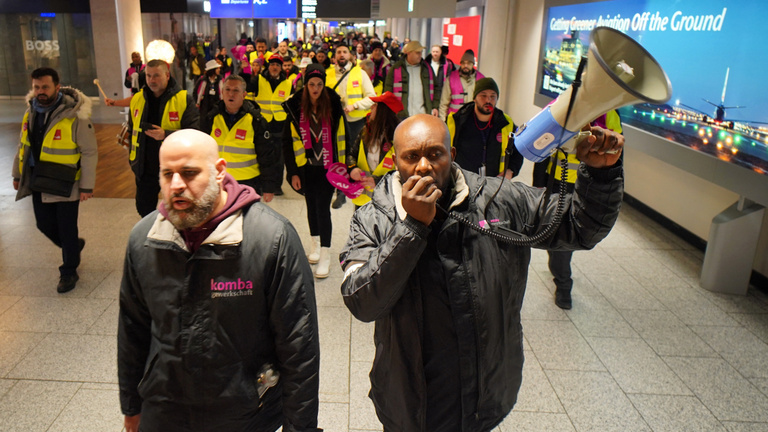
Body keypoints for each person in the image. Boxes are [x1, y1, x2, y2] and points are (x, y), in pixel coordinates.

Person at [339, 114, 624, 432]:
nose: (423, 167)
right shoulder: (372, 218)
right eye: (411, 157)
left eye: (435, 154)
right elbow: (361, 301)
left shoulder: (501, 200)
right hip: (409, 402)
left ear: (453, 155)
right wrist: (411, 228)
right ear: (394, 161)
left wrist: (601, 176)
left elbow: (580, 227)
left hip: (485, 395)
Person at [117, 129, 321, 432]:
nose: (175, 186)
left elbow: (299, 346)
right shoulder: (144, 239)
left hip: (243, 415)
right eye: (166, 174)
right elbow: (132, 331)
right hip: (164, 411)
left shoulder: (271, 238)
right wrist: (132, 406)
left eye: (189, 173)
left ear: (219, 171)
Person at [11, 67, 97, 293]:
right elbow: (23, 145)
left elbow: (89, 151)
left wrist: (87, 185)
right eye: (36, 87)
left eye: (45, 87)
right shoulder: (31, 112)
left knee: (67, 228)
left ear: (57, 87)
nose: (40, 91)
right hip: (39, 180)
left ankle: (69, 271)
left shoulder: (75, 114)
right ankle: (73, 247)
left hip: (66, 181)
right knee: (43, 224)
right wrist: (17, 174)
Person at [532, 110, 624, 309]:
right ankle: (557, 265)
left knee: (565, 235)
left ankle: (563, 285)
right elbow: (547, 145)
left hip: (583, 184)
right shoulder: (568, 107)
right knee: (550, 229)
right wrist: (539, 182)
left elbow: (616, 151)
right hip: (556, 179)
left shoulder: (610, 115)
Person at [282, 64, 346, 279]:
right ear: (305, 85)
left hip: (328, 166)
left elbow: (343, 138)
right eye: (311, 84)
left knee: (323, 208)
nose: (315, 88)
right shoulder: (295, 107)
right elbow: (287, 143)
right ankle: (315, 245)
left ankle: (326, 254)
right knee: (311, 205)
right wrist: (293, 172)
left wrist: (343, 169)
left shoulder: (333, 105)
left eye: (319, 84)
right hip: (306, 166)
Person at [125, 59, 200, 216]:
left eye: (156, 76)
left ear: (167, 75)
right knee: (144, 210)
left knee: (178, 211)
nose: (152, 80)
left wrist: (165, 134)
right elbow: (133, 130)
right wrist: (133, 160)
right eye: (148, 76)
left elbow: (195, 132)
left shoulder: (183, 99)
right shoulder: (138, 99)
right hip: (144, 167)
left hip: (174, 167)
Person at [201, 75, 280, 201]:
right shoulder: (211, 118)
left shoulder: (256, 121)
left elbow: (267, 156)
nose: (231, 94)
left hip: (247, 183)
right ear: (222, 92)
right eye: (227, 90)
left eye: (236, 90)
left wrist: (269, 187)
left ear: (244, 94)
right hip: (218, 181)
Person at [327, 44, 377, 209]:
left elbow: (372, 98)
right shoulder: (328, 74)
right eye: (338, 52)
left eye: (345, 52)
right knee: (338, 156)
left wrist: (355, 106)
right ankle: (340, 192)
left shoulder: (360, 73)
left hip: (356, 122)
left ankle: (358, 189)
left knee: (354, 156)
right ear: (334, 57)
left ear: (351, 56)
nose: (341, 55)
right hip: (335, 123)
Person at [446, 78, 522, 179]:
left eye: (492, 96)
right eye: (483, 95)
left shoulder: (506, 123)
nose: (488, 100)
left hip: (493, 185)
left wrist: (510, 171)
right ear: (474, 98)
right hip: (462, 182)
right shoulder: (457, 121)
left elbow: (518, 151)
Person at [346, 91, 402, 207]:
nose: (371, 107)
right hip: (362, 201)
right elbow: (352, 154)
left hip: (387, 202)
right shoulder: (365, 131)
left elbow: (402, 173)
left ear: (383, 111)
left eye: (375, 105)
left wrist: (378, 181)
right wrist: (353, 168)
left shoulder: (399, 138)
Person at [253, 54, 291, 196]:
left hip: (280, 124)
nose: (274, 67)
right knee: (262, 155)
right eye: (272, 64)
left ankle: (277, 186)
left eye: (277, 65)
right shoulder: (258, 79)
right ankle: (262, 184)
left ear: (281, 68)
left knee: (279, 158)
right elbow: (249, 97)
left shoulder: (287, 83)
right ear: (268, 66)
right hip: (262, 123)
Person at [383, 40, 437, 118]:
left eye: (421, 52)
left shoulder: (427, 69)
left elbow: (436, 88)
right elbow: (388, 92)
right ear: (409, 53)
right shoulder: (396, 69)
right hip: (401, 115)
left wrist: (434, 106)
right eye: (417, 53)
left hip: (423, 114)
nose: (420, 55)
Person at [439, 49, 485, 121]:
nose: (465, 65)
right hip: (454, 121)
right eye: (463, 63)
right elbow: (443, 104)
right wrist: (443, 122)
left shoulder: (481, 79)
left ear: (473, 64)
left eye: (469, 63)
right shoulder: (451, 78)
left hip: (474, 121)